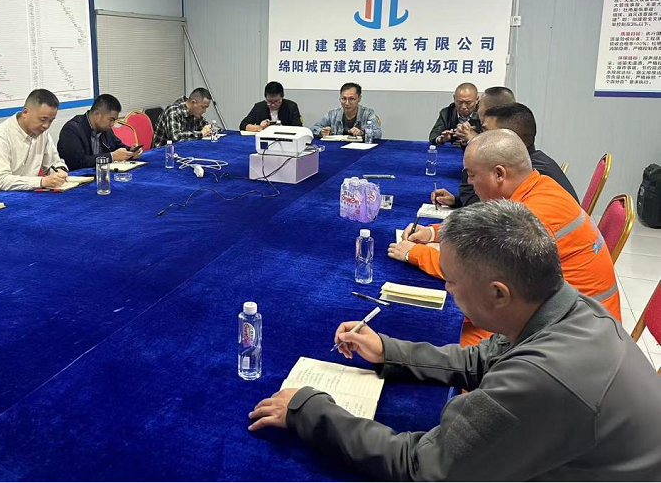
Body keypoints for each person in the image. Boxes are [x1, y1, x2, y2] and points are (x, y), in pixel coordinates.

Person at [248, 200, 661, 481]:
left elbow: (422, 467)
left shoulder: (545, 376)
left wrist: (309, 409)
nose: (447, 288)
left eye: (450, 280)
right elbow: (482, 359)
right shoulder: (566, 305)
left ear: (498, 294)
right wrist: (389, 351)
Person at [389, 129, 620, 345]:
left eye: (472, 175)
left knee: (442, 339)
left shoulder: (533, 216)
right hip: (575, 316)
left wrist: (414, 253)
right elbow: (483, 226)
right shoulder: (540, 186)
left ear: (499, 174)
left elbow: (473, 274)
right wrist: (433, 232)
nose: (469, 182)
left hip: (574, 336)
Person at [433, 102, 577, 207]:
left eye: (486, 132)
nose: (481, 136)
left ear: (508, 137)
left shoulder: (530, 171)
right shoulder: (532, 161)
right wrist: (456, 200)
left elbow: (483, 212)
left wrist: (474, 152)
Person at [0, 89, 69, 191]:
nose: (46, 126)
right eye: (43, 119)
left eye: (51, 121)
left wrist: (60, 171)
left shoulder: (43, 134)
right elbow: (1, 181)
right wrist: (41, 181)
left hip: (28, 193)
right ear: (25, 113)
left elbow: (53, 164)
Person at [57, 94, 143, 170]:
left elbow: (118, 146)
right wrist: (112, 156)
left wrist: (131, 151)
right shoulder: (71, 129)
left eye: (114, 120)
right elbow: (78, 162)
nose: (112, 124)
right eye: (111, 120)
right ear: (97, 114)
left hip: (101, 174)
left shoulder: (106, 129)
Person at [310, 82, 382, 141]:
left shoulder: (368, 113)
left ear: (359, 98)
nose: (347, 103)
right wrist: (322, 131)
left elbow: (378, 133)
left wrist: (362, 133)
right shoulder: (333, 114)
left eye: (351, 99)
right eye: (343, 99)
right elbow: (313, 129)